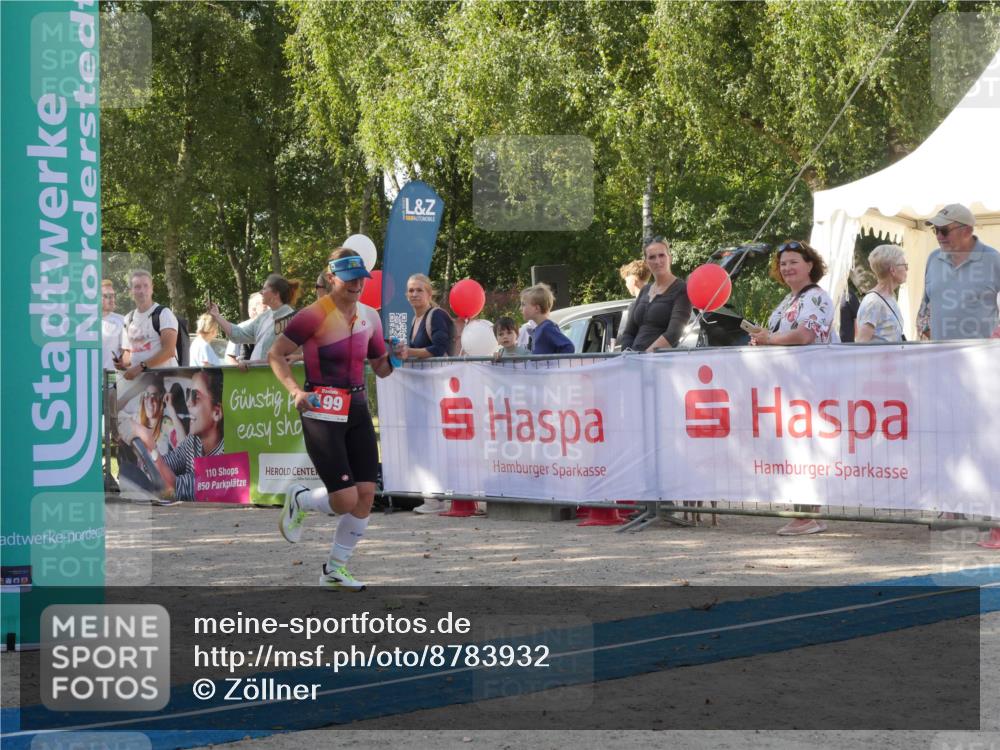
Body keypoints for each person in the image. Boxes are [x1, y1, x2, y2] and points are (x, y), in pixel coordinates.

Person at [269, 249, 396, 590]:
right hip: (321, 409)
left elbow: (381, 369)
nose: (357, 285)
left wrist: (394, 357)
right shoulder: (313, 314)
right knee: (345, 501)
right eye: (349, 279)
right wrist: (295, 391)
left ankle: (334, 570)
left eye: (361, 279)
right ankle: (301, 499)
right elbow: (276, 354)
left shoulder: (370, 316)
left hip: (357, 408)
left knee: (366, 494)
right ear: (331, 278)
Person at [749, 240, 837, 536]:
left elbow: (804, 335)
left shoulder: (816, 297)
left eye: (793, 262)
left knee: (805, 448)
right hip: (790, 385)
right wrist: (762, 338)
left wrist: (769, 339)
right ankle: (807, 513)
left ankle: (805, 515)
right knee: (798, 448)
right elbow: (780, 335)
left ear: (810, 264)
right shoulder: (789, 299)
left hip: (810, 384)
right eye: (783, 263)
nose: (787, 268)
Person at [132, 368, 223, 503]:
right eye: (188, 394)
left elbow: (175, 488)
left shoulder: (225, 454)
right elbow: (170, 461)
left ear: (216, 413)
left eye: (196, 397)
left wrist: (150, 448)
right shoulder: (194, 441)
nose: (188, 402)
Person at [917, 203, 1000, 340]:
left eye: (944, 231)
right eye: (935, 230)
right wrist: (932, 337)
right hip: (939, 352)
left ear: (967, 231)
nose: (939, 236)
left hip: (982, 353)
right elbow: (924, 308)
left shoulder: (993, 259)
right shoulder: (933, 258)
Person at [618, 238, 692, 352]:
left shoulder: (681, 289)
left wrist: (645, 356)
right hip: (634, 359)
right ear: (646, 262)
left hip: (661, 360)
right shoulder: (645, 290)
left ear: (670, 258)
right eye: (652, 257)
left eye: (661, 255)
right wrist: (627, 355)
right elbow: (629, 332)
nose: (657, 261)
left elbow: (674, 333)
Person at [209, 274, 301, 362]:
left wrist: (252, 363)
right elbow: (239, 335)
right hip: (257, 372)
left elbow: (286, 358)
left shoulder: (292, 320)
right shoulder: (263, 317)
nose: (260, 292)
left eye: (264, 288)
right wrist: (217, 316)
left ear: (276, 293)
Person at [117, 270, 179, 380]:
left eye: (146, 286)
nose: (142, 291)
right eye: (137, 287)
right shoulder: (128, 319)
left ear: (152, 288)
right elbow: (128, 353)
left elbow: (169, 351)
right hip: (140, 383)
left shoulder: (163, 313)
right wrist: (122, 363)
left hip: (166, 382)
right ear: (131, 291)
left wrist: (141, 367)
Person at [855, 244, 907, 344]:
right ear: (893, 270)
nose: (907, 269)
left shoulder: (890, 297)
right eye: (904, 265)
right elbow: (861, 344)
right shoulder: (874, 302)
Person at [398, 273, 453, 358]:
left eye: (419, 290)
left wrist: (408, 351)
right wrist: (401, 350)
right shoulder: (415, 319)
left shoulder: (437, 315)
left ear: (429, 294)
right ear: (407, 296)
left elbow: (439, 349)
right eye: (411, 290)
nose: (414, 294)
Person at [521, 283, 574, 354]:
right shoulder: (538, 329)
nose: (520, 308)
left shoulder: (547, 328)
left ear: (536, 308)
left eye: (523, 304)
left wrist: (555, 360)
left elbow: (568, 347)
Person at [224, 292, 265, 366]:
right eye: (264, 304)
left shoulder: (272, 327)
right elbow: (229, 358)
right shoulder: (240, 328)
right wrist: (239, 366)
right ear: (253, 309)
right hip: (247, 372)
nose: (269, 307)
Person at [101, 280, 126, 372]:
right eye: (107, 296)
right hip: (85, 378)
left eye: (113, 296)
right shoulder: (83, 322)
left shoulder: (122, 320)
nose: (112, 300)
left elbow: (127, 352)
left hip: (111, 378)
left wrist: (123, 360)